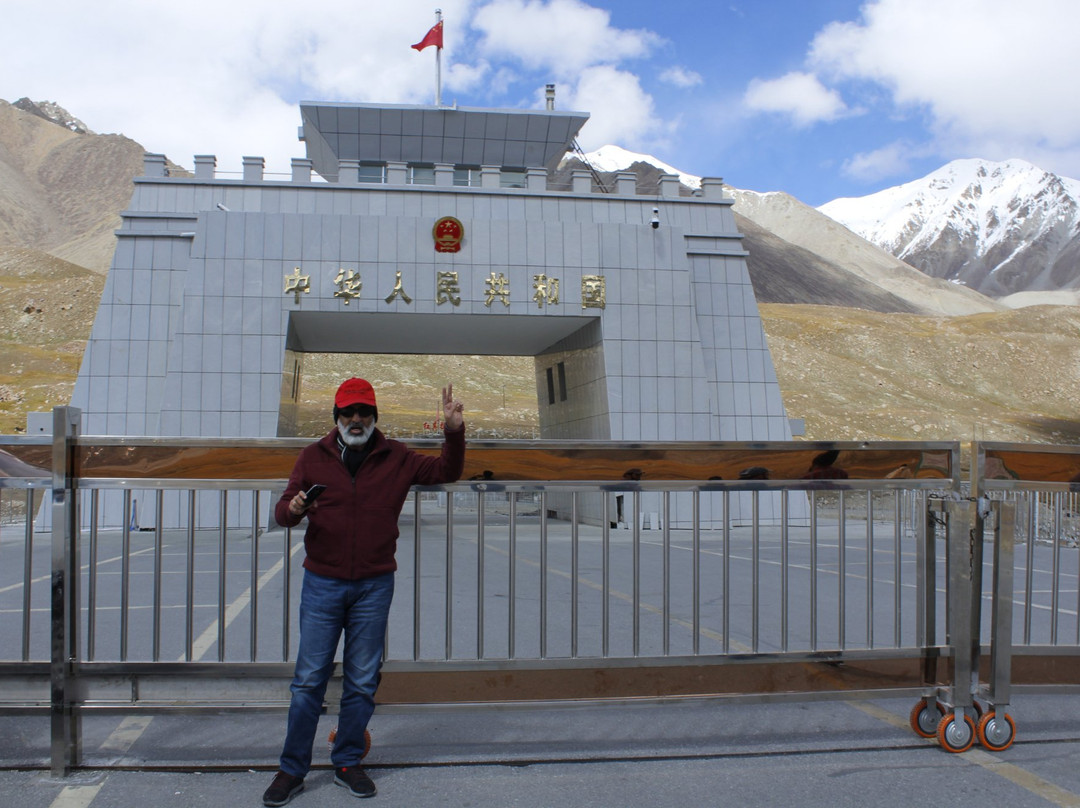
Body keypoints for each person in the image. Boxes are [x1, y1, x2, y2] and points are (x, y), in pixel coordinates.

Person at [262, 378, 466, 806]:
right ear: (336, 418)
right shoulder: (312, 457)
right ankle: (291, 769)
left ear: (375, 418)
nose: (356, 420)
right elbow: (282, 513)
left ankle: (347, 761)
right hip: (323, 582)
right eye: (348, 413)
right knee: (308, 680)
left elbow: (446, 472)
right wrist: (295, 508)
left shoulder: (398, 457)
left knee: (360, 679)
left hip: (374, 584)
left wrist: (452, 430)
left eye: (364, 413)